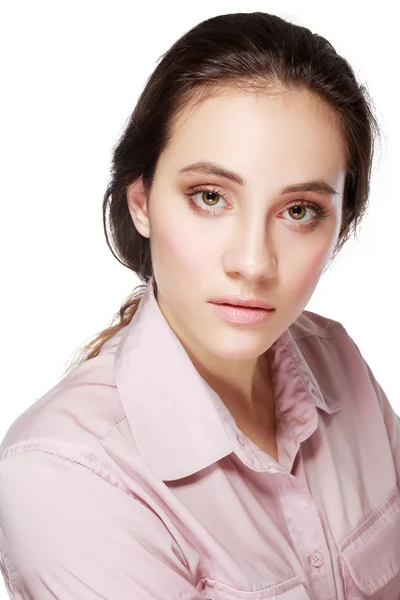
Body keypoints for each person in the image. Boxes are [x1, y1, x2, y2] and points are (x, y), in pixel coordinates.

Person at [0, 10, 399, 600]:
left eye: (299, 210)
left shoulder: (337, 358)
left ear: (340, 224)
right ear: (141, 201)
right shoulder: (63, 475)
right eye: (210, 197)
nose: (254, 263)